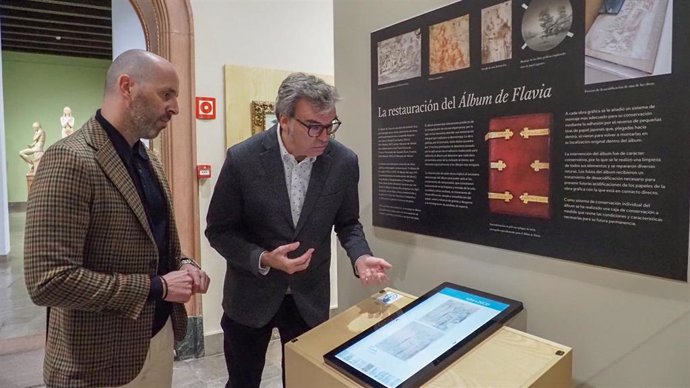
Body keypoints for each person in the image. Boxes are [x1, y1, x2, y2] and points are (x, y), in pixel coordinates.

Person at [24, 49, 210, 387]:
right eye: (166, 94)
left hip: (156, 339)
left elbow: (155, 244)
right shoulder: (69, 159)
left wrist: (185, 265)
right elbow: (48, 280)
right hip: (95, 360)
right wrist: (159, 287)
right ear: (127, 87)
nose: (176, 108)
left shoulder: (149, 161)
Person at [206, 72, 392, 388]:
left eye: (330, 125)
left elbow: (348, 223)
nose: (324, 136)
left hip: (308, 297)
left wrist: (360, 257)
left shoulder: (343, 162)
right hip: (250, 296)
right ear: (284, 120)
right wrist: (263, 258)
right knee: (243, 382)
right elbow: (219, 230)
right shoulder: (243, 159)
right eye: (314, 127)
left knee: (304, 382)